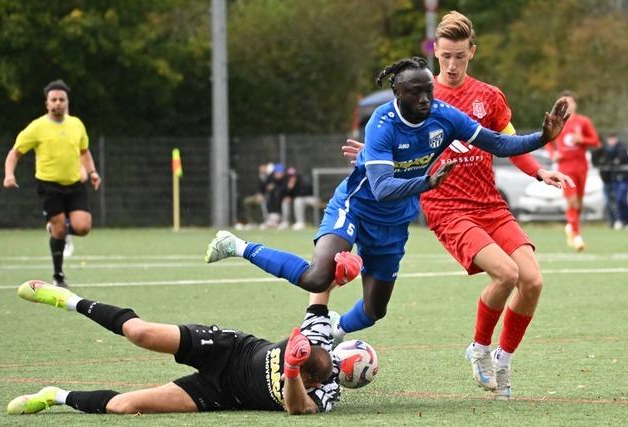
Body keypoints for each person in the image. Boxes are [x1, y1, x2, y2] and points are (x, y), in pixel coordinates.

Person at [205, 56, 569, 394]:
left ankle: (334, 329)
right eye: (415, 92)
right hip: (356, 208)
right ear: (398, 93)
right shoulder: (381, 122)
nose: (425, 98)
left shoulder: (444, 116)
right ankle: (237, 245)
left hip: (393, 226)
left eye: (428, 90)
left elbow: (497, 142)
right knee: (318, 277)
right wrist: (427, 183)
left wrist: (542, 137)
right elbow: (381, 188)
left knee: (374, 310)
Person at [338, 11, 575, 399]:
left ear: (472, 53)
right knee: (506, 274)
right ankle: (479, 349)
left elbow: (505, 143)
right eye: (444, 56)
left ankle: (503, 357)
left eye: (459, 57)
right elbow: (394, 142)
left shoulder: (489, 97)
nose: (450, 65)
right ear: (434, 52)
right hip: (447, 207)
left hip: (490, 204)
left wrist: (538, 170)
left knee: (532, 280)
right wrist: (376, 155)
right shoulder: (419, 96)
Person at [7, 280, 342, 416]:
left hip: (221, 394)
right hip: (228, 348)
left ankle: (55, 396)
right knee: (140, 333)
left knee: (124, 407)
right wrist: (337, 272)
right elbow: (317, 289)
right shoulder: (317, 337)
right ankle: (68, 299)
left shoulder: (322, 394)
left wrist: (293, 370)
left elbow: (297, 410)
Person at [3, 79, 101, 287]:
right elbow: (15, 152)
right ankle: (58, 275)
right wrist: (9, 175)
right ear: (47, 103)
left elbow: (84, 151)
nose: (58, 103)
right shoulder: (37, 127)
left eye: (61, 99)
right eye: (53, 99)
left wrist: (92, 172)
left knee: (83, 227)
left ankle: (58, 228)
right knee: (59, 231)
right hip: (49, 186)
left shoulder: (76, 124)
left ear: (67, 102)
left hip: (75, 184)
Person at [545, 91, 600, 251]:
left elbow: (596, 141)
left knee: (580, 202)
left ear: (575, 104)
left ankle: (570, 226)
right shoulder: (557, 122)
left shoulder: (583, 121)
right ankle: (576, 236)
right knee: (572, 201)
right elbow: (547, 141)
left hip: (581, 165)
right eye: (564, 102)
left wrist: (582, 140)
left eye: (570, 102)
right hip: (565, 166)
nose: (568, 105)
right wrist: (553, 153)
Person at [592, 133, 628, 229]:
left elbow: (620, 159)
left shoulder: (620, 148)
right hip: (609, 180)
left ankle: (623, 220)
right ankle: (615, 221)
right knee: (610, 202)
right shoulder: (603, 150)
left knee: (620, 200)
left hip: (621, 179)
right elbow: (597, 162)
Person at [239, 162, 273, 229]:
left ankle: (263, 222)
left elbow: (268, 189)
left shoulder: (270, 177)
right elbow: (255, 188)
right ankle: (251, 222)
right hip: (257, 196)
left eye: (263, 167)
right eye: (261, 167)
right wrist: (257, 195)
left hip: (266, 197)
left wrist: (262, 196)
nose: (262, 169)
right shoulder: (257, 176)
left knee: (260, 202)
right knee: (247, 201)